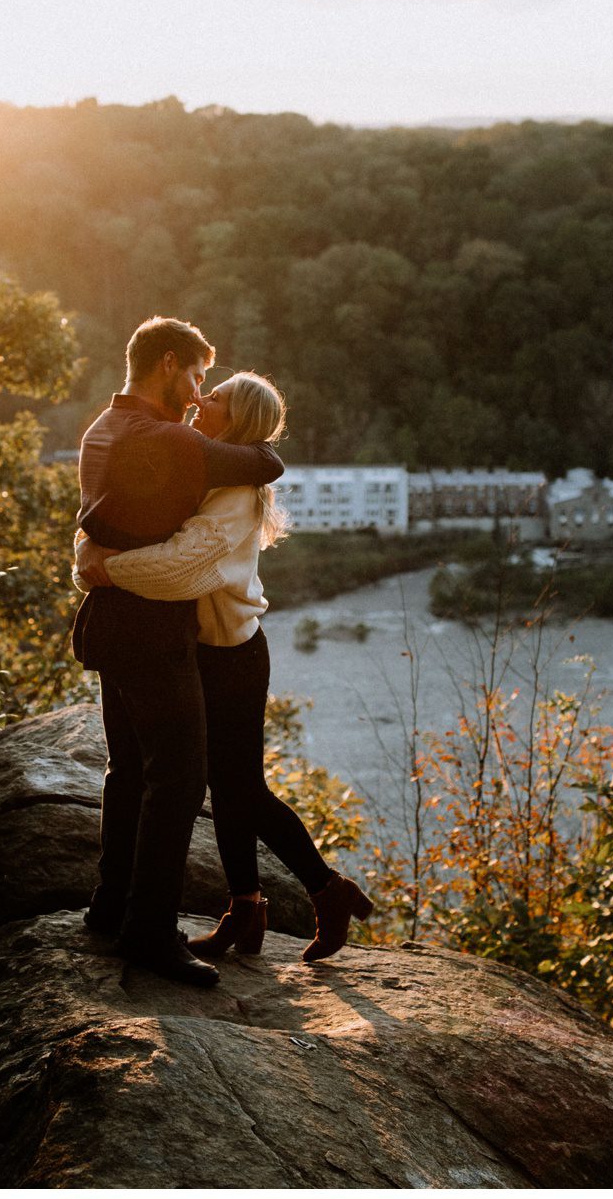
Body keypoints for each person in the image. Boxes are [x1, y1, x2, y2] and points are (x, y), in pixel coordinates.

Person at [76, 372, 374, 964]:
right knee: (222, 784)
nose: (199, 399)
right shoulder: (210, 469)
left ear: (233, 420)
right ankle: (247, 907)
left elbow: (186, 564)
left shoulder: (236, 491)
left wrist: (104, 567)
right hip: (198, 648)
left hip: (233, 653)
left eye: (214, 398)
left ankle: (325, 889)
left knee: (240, 788)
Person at [73, 317, 285, 987]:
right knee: (179, 779)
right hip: (150, 632)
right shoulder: (161, 440)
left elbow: (250, 462)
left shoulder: (101, 431)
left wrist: (93, 561)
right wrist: (104, 566)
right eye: (195, 376)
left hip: (110, 627)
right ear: (168, 364)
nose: (198, 395)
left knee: (129, 769)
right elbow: (257, 460)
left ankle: (111, 906)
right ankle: (148, 932)